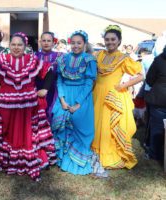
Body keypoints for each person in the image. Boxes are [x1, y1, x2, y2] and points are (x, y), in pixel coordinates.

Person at [0, 32, 56, 181]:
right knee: (7, 132)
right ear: (9, 46)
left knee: (26, 133)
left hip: (27, 105)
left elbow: (49, 71)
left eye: (19, 45)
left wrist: (45, 89)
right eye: (13, 44)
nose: (16, 48)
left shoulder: (32, 59)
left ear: (25, 46)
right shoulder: (1, 59)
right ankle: (8, 160)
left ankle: (26, 158)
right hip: (5, 104)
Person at [51, 30, 105, 176]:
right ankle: (62, 159)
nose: (75, 46)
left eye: (79, 43)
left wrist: (78, 103)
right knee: (61, 127)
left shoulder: (89, 60)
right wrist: (62, 100)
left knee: (80, 126)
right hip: (65, 96)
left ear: (84, 44)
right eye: (73, 43)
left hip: (82, 97)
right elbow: (60, 80)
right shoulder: (62, 59)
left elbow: (89, 83)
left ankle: (78, 161)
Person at [91, 25, 143, 169]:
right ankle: (96, 151)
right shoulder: (99, 55)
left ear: (119, 41)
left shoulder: (124, 58)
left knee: (108, 125)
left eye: (113, 39)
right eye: (107, 39)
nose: (110, 42)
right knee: (97, 123)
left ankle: (109, 153)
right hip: (97, 94)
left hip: (112, 96)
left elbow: (140, 76)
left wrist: (124, 85)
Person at [144, 45, 166, 161]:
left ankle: (154, 154)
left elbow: (149, 79)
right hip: (159, 100)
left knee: (157, 128)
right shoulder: (159, 60)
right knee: (157, 128)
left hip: (159, 99)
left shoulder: (159, 60)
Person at [35, 31, 61, 122]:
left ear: (53, 42)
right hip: (37, 90)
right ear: (40, 42)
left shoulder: (60, 56)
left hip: (54, 90)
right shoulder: (34, 56)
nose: (46, 43)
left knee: (51, 114)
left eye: (49, 41)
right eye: (44, 40)